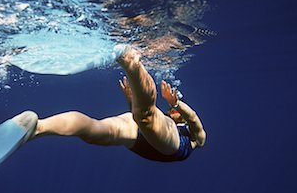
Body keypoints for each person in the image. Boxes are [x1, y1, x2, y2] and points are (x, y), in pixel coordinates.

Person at [29, 47, 206, 162]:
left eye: (175, 112)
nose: (172, 112)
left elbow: (193, 118)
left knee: (95, 135)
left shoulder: (196, 139)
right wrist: (132, 99)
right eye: (172, 111)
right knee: (137, 117)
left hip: (165, 145)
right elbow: (141, 118)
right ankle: (38, 127)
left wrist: (177, 104)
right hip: (143, 135)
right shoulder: (167, 122)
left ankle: (38, 128)